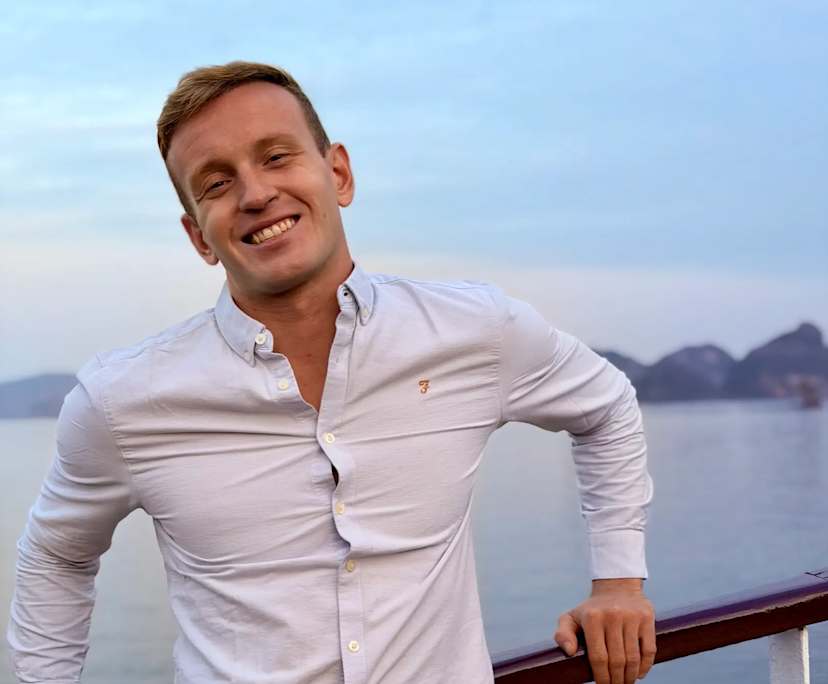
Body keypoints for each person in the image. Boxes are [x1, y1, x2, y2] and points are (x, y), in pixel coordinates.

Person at [7, 61, 655, 684]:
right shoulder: (123, 399)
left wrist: (619, 582)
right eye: (217, 183)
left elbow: (605, 406)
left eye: (275, 156)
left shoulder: (471, 331)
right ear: (199, 236)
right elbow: (57, 555)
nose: (256, 194)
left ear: (338, 173)